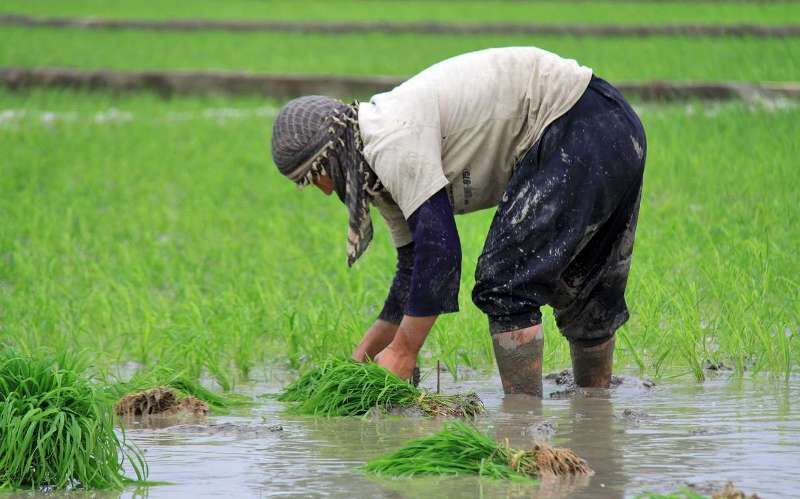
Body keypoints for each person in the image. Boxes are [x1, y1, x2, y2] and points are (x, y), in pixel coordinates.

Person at [270, 47, 646, 397]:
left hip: (575, 120)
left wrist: (403, 352)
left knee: (505, 283)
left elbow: (440, 251)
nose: (321, 189)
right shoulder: (377, 167)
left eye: (313, 176)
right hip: (613, 125)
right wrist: (365, 354)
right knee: (584, 286)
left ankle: (524, 423)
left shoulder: (388, 139)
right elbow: (413, 266)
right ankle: (596, 410)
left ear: (332, 154)